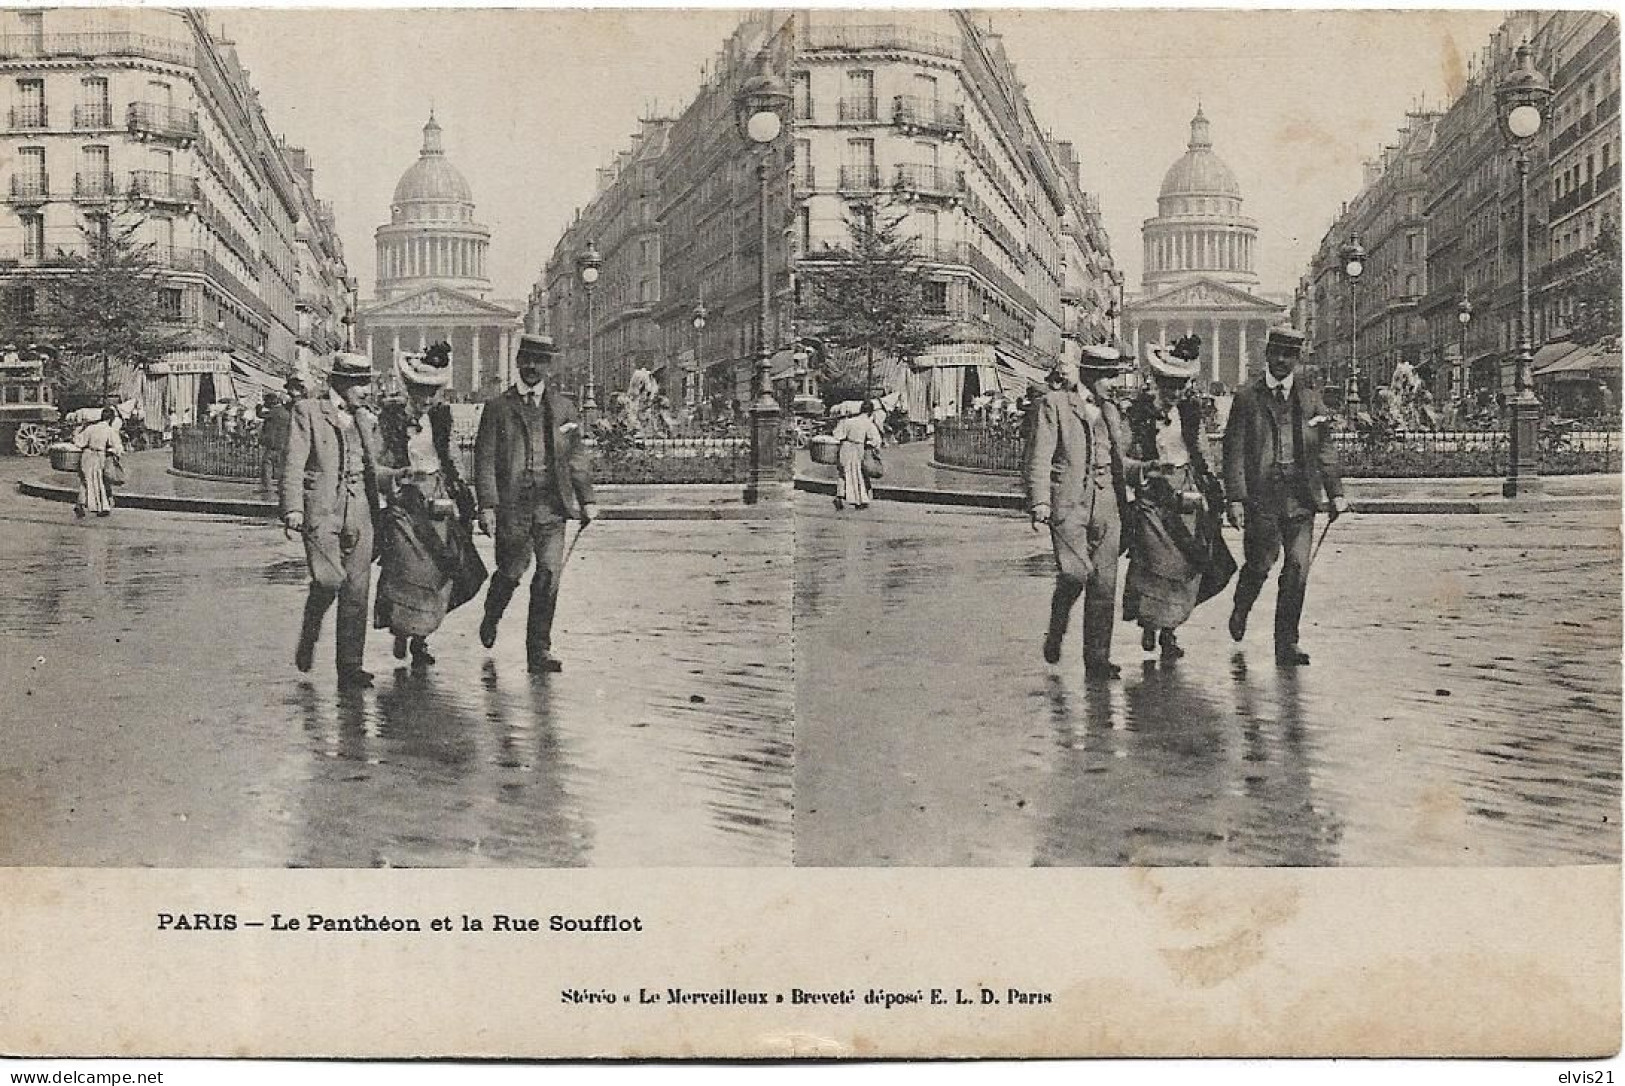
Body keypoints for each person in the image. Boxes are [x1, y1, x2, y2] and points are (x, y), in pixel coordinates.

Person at [1222, 326, 1349, 668]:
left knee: (1297, 569)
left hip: (1301, 497)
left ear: (1297, 359)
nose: (1281, 361)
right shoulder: (1248, 395)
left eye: (1289, 355)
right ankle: (1242, 605)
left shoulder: (1310, 399)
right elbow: (1233, 450)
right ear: (1266, 355)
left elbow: (1325, 447)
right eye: (1276, 353)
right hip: (1262, 497)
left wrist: (1335, 492)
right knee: (1260, 565)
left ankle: (1286, 642)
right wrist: (1235, 498)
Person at [473, 333, 598, 674]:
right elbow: (483, 460)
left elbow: (576, 457)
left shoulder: (564, 408)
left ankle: (538, 649)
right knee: (511, 572)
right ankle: (492, 612)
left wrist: (586, 499)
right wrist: (486, 506)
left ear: (548, 366)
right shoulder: (498, 408)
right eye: (526, 359)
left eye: (538, 361)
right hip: (514, 507)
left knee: (548, 575)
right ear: (517, 362)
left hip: (552, 506)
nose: (531, 366)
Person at [1025, 345, 1150, 681]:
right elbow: (1039, 457)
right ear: (1091, 375)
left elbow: (1122, 461)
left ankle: (1097, 659)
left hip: (1109, 503)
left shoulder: (1112, 411)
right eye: (1109, 377)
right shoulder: (1055, 405)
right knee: (1074, 574)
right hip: (1069, 503)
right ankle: (1057, 625)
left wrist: (1149, 470)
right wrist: (1040, 501)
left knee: (1104, 584)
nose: (1114, 383)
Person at [372, 343, 486, 669]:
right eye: (420, 391)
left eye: (432, 391)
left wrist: (461, 493)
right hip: (404, 499)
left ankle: (420, 639)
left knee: (436, 570)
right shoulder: (390, 419)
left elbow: (453, 459)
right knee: (407, 568)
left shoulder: (442, 419)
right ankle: (400, 625)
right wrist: (395, 475)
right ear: (409, 389)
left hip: (436, 497)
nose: (426, 398)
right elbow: (375, 464)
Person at [1121, 337, 1235, 660]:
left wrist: (1211, 488)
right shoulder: (1137, 415)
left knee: (1185, 564)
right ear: (1156, 382)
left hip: (1186, 489)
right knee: (1155, 562)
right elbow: (1119, 458)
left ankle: (1169, 632)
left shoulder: (1190, 413)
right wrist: (1144, 468)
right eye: (1168, 384)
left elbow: (1203, 454)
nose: (1173, 391)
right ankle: (1149, 622)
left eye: (1179, 385)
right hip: (1153, 492)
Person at [280, 353, 383, 691]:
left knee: (357, 589)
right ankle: (311, 627)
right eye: (359, 384)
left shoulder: (367, 420)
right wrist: (293, 509)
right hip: (322, 508)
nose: (366, 390)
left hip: (361, 510)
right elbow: (294, 463)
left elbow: (376, 468)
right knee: (328, 580)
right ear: (340, 382)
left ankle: (350, 666)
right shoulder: (308, 411)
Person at [831, 399, 882, 511]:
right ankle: (859, 500)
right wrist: (870, 444)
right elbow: (876, 440)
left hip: (845, 447)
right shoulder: (868, 423)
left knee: (843, 473)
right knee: (857, 473)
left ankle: (839, 496)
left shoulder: (848, 421)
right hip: (857, 448)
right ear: (870, 412)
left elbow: (837, 434)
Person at [73, 407, 124, 519]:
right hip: (99, 455)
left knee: (85, 480)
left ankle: (80, 504)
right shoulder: (110, 430)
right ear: (111, 419)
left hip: (86, 455)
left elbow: (79, 442)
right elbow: (118, 447)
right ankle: (102, 507)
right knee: (98, 480)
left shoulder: (91, 428)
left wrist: (76, 432)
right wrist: (112, 451)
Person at [259, 390, 291, 490]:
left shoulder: (274, 412)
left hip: (273, 443)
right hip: (283, 442)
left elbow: (260, 415)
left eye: (266, 401)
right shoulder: (285, 412)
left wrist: (258, 407)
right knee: (282, 466)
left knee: (267, 463)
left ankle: (267, 486)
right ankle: (282, 486)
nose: (265, 404)